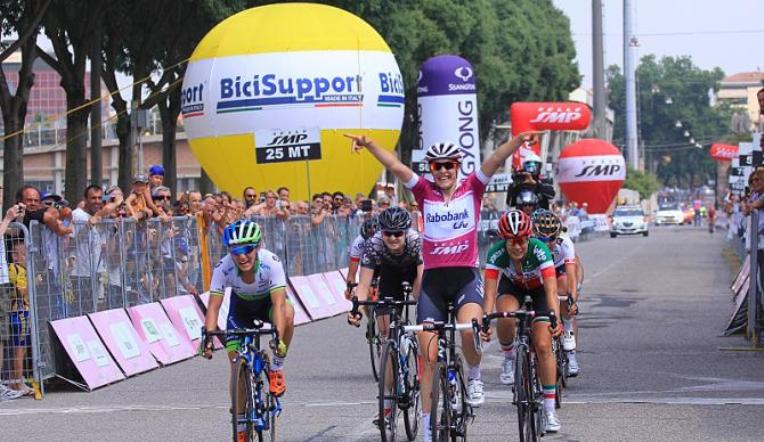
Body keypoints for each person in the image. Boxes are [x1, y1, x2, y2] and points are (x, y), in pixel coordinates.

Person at [345, 129, 536, 441]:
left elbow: (495, 159)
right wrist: (369, 145)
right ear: (431, 169)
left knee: (469, 331)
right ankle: (426, 428)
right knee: (428, 358)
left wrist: (517, 141)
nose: (444, 170)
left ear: (457, 166)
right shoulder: (423, 192)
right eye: (437, 166)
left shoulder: (473, 188)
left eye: (449, 165)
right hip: (433, 282)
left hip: (465, 277)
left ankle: (473, 376)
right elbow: (395, 166)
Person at [202, 220, 295, 441]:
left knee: (289, 314)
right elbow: (213, 306)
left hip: (268, 305)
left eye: (247, 249)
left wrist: (279, 338)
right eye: (235, 251)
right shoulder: (223, 267)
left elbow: (280, 305)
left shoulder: (271, 262)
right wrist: (207, 337)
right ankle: (240, 422)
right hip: (240, 309)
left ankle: (277, 367)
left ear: (258, 247)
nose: (242, 256)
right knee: (236, 365)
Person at [482, 209, 562, 433]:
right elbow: (489, 294)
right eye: (511, 242)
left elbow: (552, 291)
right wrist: (486, 320)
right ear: (503, 240)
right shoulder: (496, 253)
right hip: (513, 288)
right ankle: (508, 357)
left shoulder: (540, 250)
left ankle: (549, 411)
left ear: (528, 238)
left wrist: (555, 317)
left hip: (539, 292)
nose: (517, 247)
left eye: (521, 241)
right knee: (505, 315)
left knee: (544, 345)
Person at [347, 207, 423, 425]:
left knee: (423, 311)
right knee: (386, 335)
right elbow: (363, 285)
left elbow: (421, 282)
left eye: (398, 233)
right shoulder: (374, 244)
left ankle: (420, 361)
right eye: (387, 233)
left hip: (414, 271)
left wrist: (420, 303)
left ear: (406, 232)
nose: (392, 238)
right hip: (389, 275)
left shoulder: (417, 241)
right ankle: (387, 407)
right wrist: (355, 310)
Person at [532, 209, 580, 376]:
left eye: (552, 238)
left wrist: (572, 299)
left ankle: (568, 339)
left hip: (559, 269)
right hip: (538, 271)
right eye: (542, 239)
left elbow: (572, 275)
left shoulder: (565, 243)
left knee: (564, 291)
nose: (547, 243)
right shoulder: (529, 243)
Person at [7, 241, 33, 396]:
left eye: (20, 253)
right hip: (19, 313)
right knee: (19, 349)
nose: (16, 256)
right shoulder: (14, 269)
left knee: (21, 349)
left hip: (24, 312)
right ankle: (17, 383)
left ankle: (17, 379)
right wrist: (33, 283)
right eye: (14, 253)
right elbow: (20, 292)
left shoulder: (24, 269)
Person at [344, 216, 379, 299]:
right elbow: (352, 272)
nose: (371, 241)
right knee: (365, 287)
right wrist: (350, 289)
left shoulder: (385, 239)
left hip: (383, 262)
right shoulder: (358, 242)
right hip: (369, 262)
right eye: (369, 236)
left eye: (373, 236)